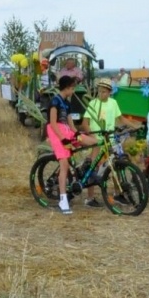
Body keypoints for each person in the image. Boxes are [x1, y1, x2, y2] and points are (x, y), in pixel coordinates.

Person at [45, 74, 91, 215]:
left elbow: (70, 123)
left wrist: (77, 133)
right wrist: (62, 138)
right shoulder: (55, 101)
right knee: (64, 164)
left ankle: (84, 166)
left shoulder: (67, 103)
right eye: (72, 88)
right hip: (56, 131)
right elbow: (53, 123)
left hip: (65, 129)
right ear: (67, 88)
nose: (73, 91)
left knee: (94, 141)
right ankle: (63, 199)